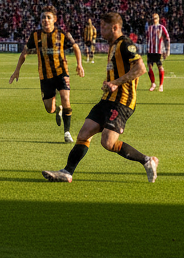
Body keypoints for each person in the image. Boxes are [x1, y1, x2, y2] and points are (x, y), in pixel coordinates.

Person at [42, 12, 158, 183]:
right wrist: (109, 83)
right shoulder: (113, 46)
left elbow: (140, 68)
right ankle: (67, 172)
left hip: (122, 101)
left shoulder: (125, 44)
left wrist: (116, 83)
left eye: (104, 27)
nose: (100, 30)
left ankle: (147, 160)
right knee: (84, 134)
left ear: (115, 27)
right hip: (107, 99)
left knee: (108, 142)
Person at [9, 6, 84, 142]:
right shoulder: (35, 35)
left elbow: (75, 47)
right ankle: (58, 109)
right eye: (43, 17)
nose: (45, 20)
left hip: (61, 73)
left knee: (65, 98)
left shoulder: (62, 34)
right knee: (50, 109)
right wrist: (17, 70)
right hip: (45, 76)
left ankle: (67, 132)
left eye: (48, 17)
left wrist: (79, 64)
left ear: (54, 19)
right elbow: (25, 52)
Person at [145, 13, 170, 91]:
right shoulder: (149, 28)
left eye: (155, 18)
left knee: (160, 66)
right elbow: (147, 38)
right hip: (150, 51)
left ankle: (161, 85)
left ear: (158, 19)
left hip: (159, 51)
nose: (154, 20)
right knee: (149, 67)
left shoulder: (162, 27)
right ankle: (153, 83)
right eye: (153, 19)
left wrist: (167, 50)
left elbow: (167, 38)